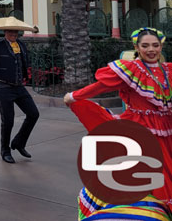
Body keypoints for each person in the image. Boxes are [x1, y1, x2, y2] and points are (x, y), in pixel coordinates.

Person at [64, 27, 172, 211]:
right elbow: (101, 86)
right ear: (137, 47)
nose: (151, 50)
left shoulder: (168, 70)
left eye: (155, 45)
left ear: (161, 47)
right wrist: (74, 96)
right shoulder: (131, 70)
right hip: (139, 129)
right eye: (145, 46)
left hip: (167, 128)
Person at [0, 17, 39, 164]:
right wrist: (0, 76)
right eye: (10, 31)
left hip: (19, 87)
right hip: (4, 87)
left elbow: (25, 63)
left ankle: (19, 142)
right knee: (8, 121)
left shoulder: (21, 45)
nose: (13, 33)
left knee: (33, 114)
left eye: (16, 31)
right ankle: (5, 150)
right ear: (5, 31)